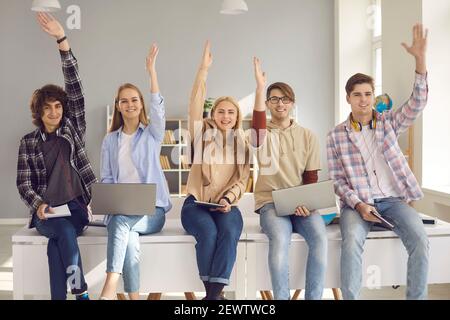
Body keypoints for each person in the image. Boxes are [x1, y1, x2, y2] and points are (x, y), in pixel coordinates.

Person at [326, 24, 429, 300]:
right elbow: (336, 181)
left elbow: (417, 104)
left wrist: (420, 62)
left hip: (393, 200)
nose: (363, 100)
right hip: (357, 202)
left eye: (368, 94)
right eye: (357, 94)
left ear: (374, 97)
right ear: (348, 98)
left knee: (420, 239)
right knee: (350, 244)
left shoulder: (388, 123)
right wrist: (359, 204)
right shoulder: (335, 136)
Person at [16, 13, 96, 300]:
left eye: (58, 107)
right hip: (46, 213)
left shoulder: (72, 130)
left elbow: (75, 86)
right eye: (48, 108)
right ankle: (81, 293)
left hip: (76, 208)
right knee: (61, 233)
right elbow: (24, 185)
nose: (55, 112)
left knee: (60, 239)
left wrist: (63, 41)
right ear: (39, 112)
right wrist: (38, 205)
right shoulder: (28, 143)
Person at [99, 44, 172, 300]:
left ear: (141, 104)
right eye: (124, 101)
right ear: (117, 106)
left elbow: (159, 109)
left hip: (153, 212)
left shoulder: (152, 135)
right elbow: (107, 180)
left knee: (121, 223)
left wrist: (151, 72)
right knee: (127, 236)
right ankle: (134, 297)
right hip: (122, 212)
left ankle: (109, 287)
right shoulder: (110, 141)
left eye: (134, 99)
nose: (130, 104)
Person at [250, 58, 327, 300]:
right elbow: (258, 127)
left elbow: (311, 177)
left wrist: (308, 204)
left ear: (292, 103)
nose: (280, 103)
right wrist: (260, 87)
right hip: (270, 203)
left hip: (301, 204)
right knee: (280, 239)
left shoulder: (308, 136)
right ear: (268, 104)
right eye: (274, 99)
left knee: (319, 237)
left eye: (285, 99)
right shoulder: (261, 134)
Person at [180, 41, 251, 300]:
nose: (226, 115)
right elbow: (195, 102)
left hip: (226, 206)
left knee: (230, 231)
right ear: (214, 113)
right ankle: (215, 297)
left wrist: (227, 199)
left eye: (231, 112)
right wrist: (203, 70)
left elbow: (242, 181)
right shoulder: (201, 133)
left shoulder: (242, 143)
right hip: (196, 205)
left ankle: (212, 296)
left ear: (237, 116)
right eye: (221, 111)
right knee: (208, 233)